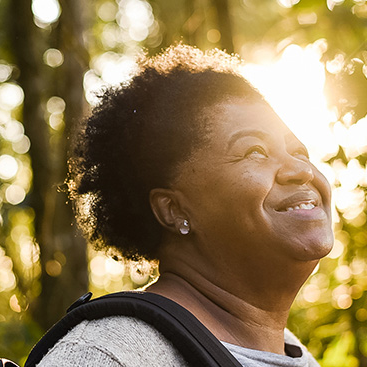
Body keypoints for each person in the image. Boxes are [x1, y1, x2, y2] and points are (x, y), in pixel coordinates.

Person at [42, 44, 333, 367]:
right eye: (255, 152)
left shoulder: (297, 356)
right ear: (173, 209)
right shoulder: (112, 354)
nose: (302, 170)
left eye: (299, 152)